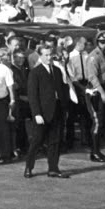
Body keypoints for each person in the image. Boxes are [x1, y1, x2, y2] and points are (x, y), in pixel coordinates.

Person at [25, 44, 70, 179]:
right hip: (42, 112)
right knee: (37, 141)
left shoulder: (56, 70)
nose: (49, 57)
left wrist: (64, 108)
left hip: (56, 110)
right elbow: (32, 95)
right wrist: (37, 113)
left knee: (55, 141)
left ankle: (53, 168)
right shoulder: (35, 72)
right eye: (46, 55)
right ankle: (29, 167)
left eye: (51, 55)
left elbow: (62, 90)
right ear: (40, 56)